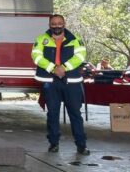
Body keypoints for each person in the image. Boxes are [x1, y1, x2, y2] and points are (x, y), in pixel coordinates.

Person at [31, 14, 90, 155]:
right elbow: (36, 56)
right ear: (49, 24)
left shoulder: (75, 39)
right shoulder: (41, 39)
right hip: (51, 82)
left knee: (75, 114)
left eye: (59, 23)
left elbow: (80, 56)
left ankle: (81, 145)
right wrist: (53, 68)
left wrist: (63, 68)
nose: (57, 25)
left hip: (71, 81)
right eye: (53, 23)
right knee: (52, 114)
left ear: (64, 24)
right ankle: (53, 143)